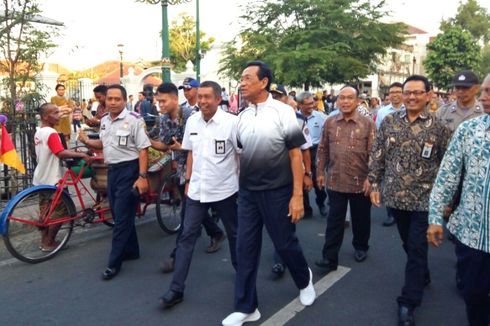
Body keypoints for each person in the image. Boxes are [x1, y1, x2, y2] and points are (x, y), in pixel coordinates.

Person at [222, 61, 315, 326]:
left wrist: (297, 195)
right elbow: (241, 155)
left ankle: (304, 280)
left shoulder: (283, 112)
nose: (242, 82)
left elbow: (295, 154)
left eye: (248, 78)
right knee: (244, 248)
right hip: (249, 194)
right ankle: (247, 307)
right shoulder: (242, 116)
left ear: (264, 82)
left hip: (278, 191)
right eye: (241, 78)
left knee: (285, 243)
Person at [368, 75, 450, 326]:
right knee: (409, 244)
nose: (412, 97)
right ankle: (422, 273)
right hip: (395, 197)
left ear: (428, 95)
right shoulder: (390, 121)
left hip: (425, 200)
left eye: (417, 92)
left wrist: (447, 200)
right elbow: (378, 154)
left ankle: (408, 302)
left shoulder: (438, 128)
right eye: (408, 92)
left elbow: (448, 166)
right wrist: (373, 183)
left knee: (416, 247)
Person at [159, 81, 239, 308]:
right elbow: (191, 152)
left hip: (225, 190)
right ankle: (176, 289)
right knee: (186, 237)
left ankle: (241, 275)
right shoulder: (193, 121)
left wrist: (240, 184)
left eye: (207, 97)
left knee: (235, 234)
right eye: (200, 97)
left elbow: (241, 156)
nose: (202, 101)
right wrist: (188, 181)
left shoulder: (232, 123)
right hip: (196, 191)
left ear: (218, 99)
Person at [428, 73, 490, 326]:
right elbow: (447, 176)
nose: (485, 98)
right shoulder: (469, 130)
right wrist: (434, 218)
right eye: (485, 91)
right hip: (472, 235)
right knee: (473, 295)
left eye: (489, 92)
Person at [150, 83, 226, 274]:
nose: (160, 105)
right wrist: (147, 141)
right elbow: (165, 145)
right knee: (193, 211)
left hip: (199, 169)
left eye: (163, 101)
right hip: (182, 171)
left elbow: (197, 146)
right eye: (158, 101)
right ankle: (216, 232)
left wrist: (180, 148)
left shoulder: (192, 117)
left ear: (175, 99)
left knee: (187, 217)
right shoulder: (164, 120)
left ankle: (176, 257)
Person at [78, 84, 151, 280]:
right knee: (121, 214)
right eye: (109, 99)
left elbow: (143, 149)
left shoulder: (134, 120)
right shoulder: (104, 121)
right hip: (113, 171)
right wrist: (85, 141)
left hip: (129, 170)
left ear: (125, 101)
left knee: (121, 219)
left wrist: (142, 177)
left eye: (117, 99)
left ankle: (114, 263)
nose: (112, 102)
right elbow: (102, 143)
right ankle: (132, 250)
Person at [315, 85, 375, 274]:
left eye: (350, 98)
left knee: (361, 219)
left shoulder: (367, 124)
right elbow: (323, 148)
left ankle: (361, 246)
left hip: (360, 181)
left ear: (357, 101)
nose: (346, 101)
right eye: (342, 98)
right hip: (335, 180)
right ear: (337, 101)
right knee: (334, 221)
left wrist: (372, 179)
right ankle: (329, 258)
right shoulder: (330, 122)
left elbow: (375, 153)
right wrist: (319, 172)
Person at [33, 103, 91, 251]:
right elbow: (60, 152)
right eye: (55, 112)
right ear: (46, 116)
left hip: (41, 177)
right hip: (53, 178)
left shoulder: (39, 131)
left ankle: (44, 240)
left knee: (45, 211)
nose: (59, 115)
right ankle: (49, 243)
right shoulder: (51, 133)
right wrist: (82, 154)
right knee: (61, 212)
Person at [269, 84, 313, 279]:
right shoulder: (259, 118)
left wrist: (307, 174)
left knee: (286, 222)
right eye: (272, 96)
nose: (275, 99)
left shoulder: (297, 121)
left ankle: (283, 259)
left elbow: (304, 150)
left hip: (290, 177)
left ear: (287, 99)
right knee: (273, 221)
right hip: (268, 178)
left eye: (279, 96)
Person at [374, 82, 405, 227]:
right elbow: (379, 134)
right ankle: (390, 213)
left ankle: (403, 210)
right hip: (389, 153)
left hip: (408, 153)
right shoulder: (382, 112)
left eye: (398, 91)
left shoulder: (410, 109)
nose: (395, 94)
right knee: (388, 183)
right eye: (392, 92)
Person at [296, 91, 328, 217]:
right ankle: (306, 208)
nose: (311, 106)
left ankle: (321, 203)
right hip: (299, 151)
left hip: (315, 151)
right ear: (300, 104)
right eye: (307, 104)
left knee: (317, 180)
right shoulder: (294, 118)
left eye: (312, 103)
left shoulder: (321, 117)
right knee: (301, 179)